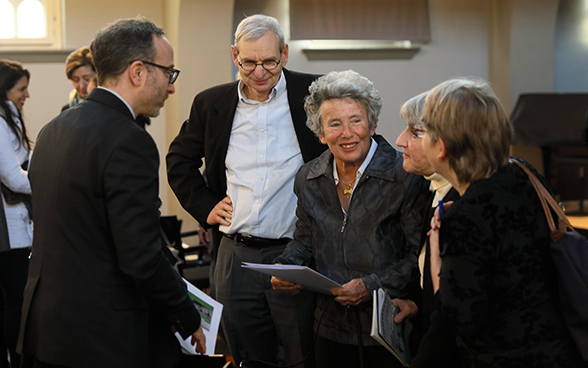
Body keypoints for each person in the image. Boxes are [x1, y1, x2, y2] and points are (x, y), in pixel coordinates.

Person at [18, 17, 205, 368]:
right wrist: (186, 314)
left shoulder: (53, 129)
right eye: (169, 73)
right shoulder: (129, 140)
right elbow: (140, 255)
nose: (171, 87)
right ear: (138, 71)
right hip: (101, 333)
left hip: (48, 326)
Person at [166, 14, 325, 368]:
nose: (259, 71)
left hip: (296, 255)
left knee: (303, 355)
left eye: (269, 61)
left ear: (284, 54)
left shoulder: (314, 94)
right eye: (249, 61)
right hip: (235, 257)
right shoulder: (211, 103)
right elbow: (179, 160)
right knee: (247, 357)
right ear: (235, 55)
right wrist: (205, 206)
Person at [420, 77, 585, 367]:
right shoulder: (523, 172)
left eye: (423, 131)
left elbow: (459, 318)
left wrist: (436, 251)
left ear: (441, 146)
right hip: (559, 349)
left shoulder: (466, 216)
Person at [271, 70, 430, 368]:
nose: (347, 133)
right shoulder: (308, 176)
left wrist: (369, 285)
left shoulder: (405, 176)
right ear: (320, 133)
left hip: (387, 325)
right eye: (334, 124)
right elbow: (303, 241)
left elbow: (416, 257)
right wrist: (287, 266)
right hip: (327, 326)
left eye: (356, 120)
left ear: (372, 124)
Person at [394, 91, 459, 366]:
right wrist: (419, 305)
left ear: (444, 142)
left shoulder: (467, 205)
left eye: (414, 132)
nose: (400, 141)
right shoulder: (431, 188)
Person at [0, 59, 33, 368]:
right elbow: (12, 176)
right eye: (21, 89)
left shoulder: (9, 118)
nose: (27, 95)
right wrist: (45, 182)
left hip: (15, 222)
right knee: (16, 300)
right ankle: (19, 361)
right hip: (7, 228)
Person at [62, 46, 96, 111]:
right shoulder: (67, 111)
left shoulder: (109, 109)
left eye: (87, 79)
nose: (81, 86)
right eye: (76, 80)